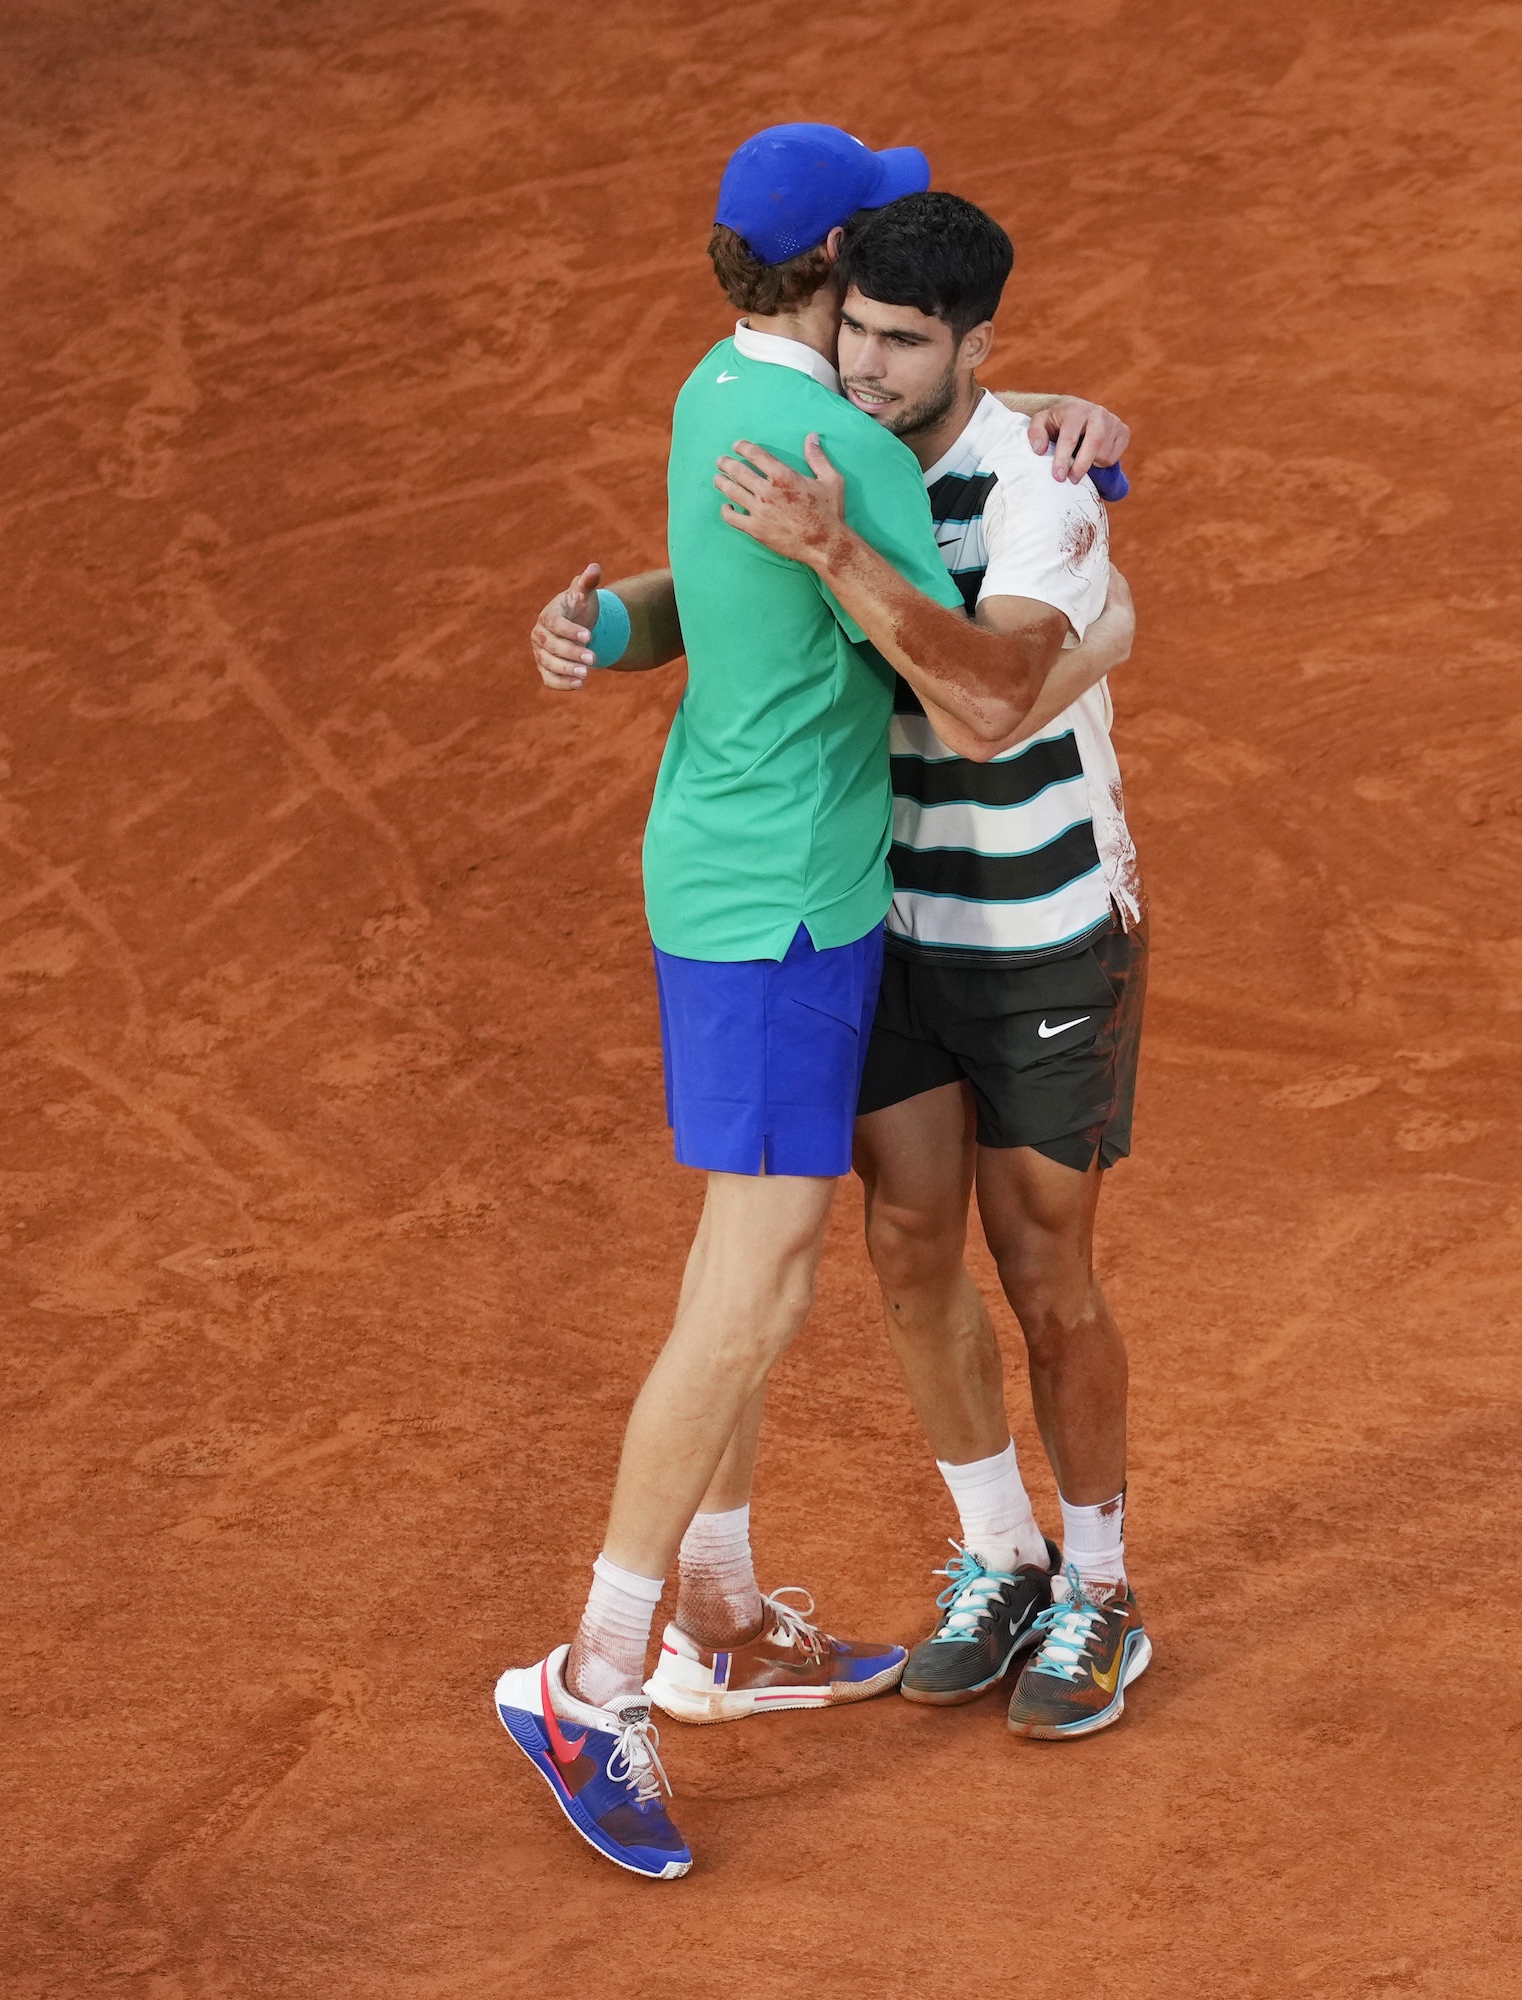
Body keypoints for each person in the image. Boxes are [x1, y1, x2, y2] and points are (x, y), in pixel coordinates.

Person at [492, 127, 1127, 1880]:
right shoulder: (849, 446)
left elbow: (752, 580)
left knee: (733, 1268)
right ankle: (591, 1678)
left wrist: (1073, 426)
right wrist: (1109, 610)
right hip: (785, 911)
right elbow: (985, 686)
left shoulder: (716, 388)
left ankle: (714, 1616)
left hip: (725, 873)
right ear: (841, 261)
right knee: (754, 1290)